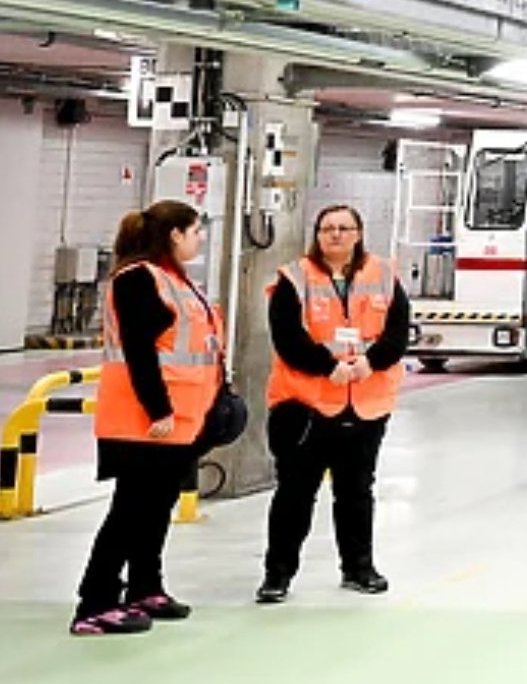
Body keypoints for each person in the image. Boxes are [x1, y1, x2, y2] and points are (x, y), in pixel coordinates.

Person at [74, 201, 223, 636]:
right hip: (143, 420)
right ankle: (95, 602)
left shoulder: (173, 279)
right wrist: (158, 408)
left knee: (156, 508)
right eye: (195, 231)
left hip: (178, 421)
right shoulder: (138, 278)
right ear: (174, 234)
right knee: (130, 510)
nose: (200, 238)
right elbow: (139, 351)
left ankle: (144, 586)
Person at [258, 205, 414, 603]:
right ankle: (277, 575)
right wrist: (328, 367)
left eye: (345, 228)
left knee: (357, 491)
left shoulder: (384, 275)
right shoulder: (295, 278)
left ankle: (359, 568)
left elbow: (397, 333)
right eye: (328, 228)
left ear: (359, 233)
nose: (336, 235)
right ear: (317, 235)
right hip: (306, 406)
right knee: (295, 493)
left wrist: (369, 363)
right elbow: (287, 337)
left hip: (366, 404)